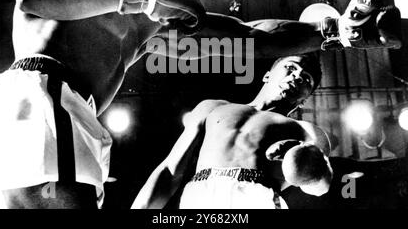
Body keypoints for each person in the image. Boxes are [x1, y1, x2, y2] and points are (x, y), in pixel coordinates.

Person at [0, 0, 400, 209]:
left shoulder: (142, 25)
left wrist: (332, 34)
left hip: (72, 112)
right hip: (41, 94)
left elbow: (248, 36)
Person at [131, 53, 333, 209]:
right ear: (267, 74)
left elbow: (321, 186)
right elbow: (170, 171)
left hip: (257, 198)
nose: (296, 76)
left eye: (306, 79)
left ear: (305, 99)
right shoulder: (212, 108)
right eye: (290, 67)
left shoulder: (306, 131)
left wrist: (301, 154)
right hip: (201, 195)